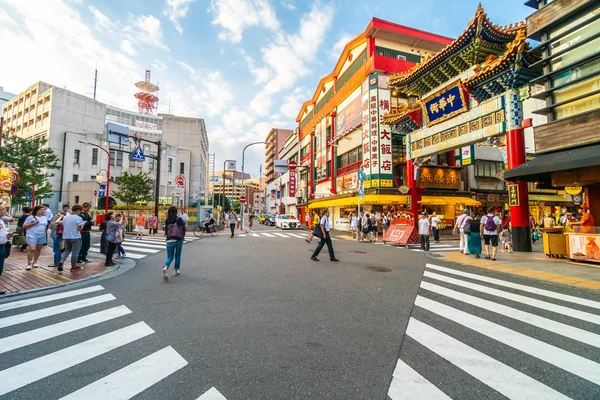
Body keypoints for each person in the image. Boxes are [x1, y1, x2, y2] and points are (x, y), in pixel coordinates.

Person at [59, 204, 86, 272]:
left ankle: (62, 261)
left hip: (66, 236)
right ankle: (73, 266)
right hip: (75, 237)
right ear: (78, 210)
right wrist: (83, 225)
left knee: (67, 250)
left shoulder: (66, 217)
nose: (80, 212)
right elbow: (79, 229)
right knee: (75, 252)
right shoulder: (78, 218)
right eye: (80, 211)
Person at [163, 206, 186, 280]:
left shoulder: (167, 220)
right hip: (178, 239)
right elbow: (184, 228)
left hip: (169, 240)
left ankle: (165, 267)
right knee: (178, 255)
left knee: (170, 257)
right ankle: (176, 270)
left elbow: (166, 230)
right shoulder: (178, 219)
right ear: (176, 212)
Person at [22, 205, 48, 270]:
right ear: (37, 210)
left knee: (38, 249)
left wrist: (45, 233)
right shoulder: (31, 217)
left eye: (43, 210)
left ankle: (35, 262)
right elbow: (24, 226)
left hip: (41, 235)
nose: (43, 211)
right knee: (32, 249)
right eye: (41, 210)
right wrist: (33, 223)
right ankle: (29, 263)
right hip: (32, 235)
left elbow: (45, 226)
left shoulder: (44, 217)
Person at [0, 217, 14, 294]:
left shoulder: (1, 220)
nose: (5, 212)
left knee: (0, 268)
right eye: (3, 210)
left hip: (2, 246)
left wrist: (7, 235)